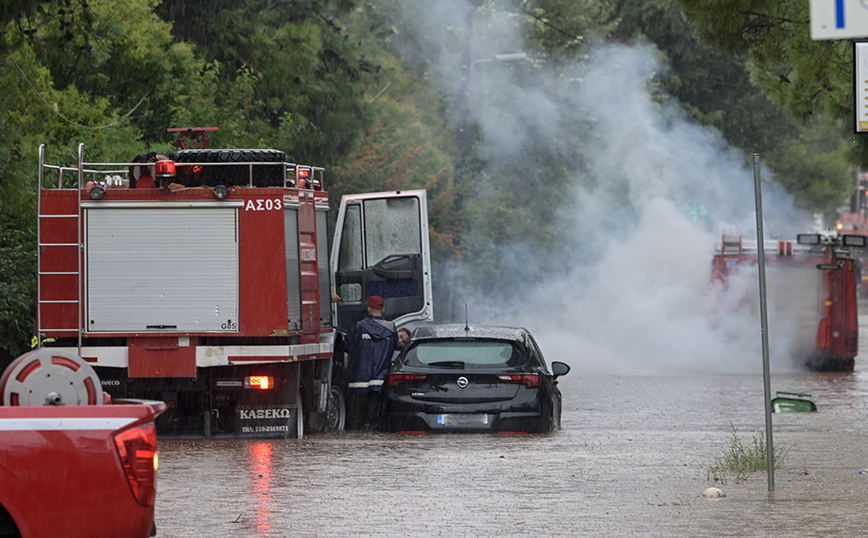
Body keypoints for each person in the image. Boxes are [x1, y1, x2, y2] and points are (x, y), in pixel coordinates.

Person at [344, 295, 397, 430]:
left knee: (354, 421)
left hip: (358, 381)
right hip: (380, 383)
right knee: (374, 422)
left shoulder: (359, 327)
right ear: (383, 309)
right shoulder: (392, 329)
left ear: (368, 309)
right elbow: (394, 348)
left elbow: (347, 346)